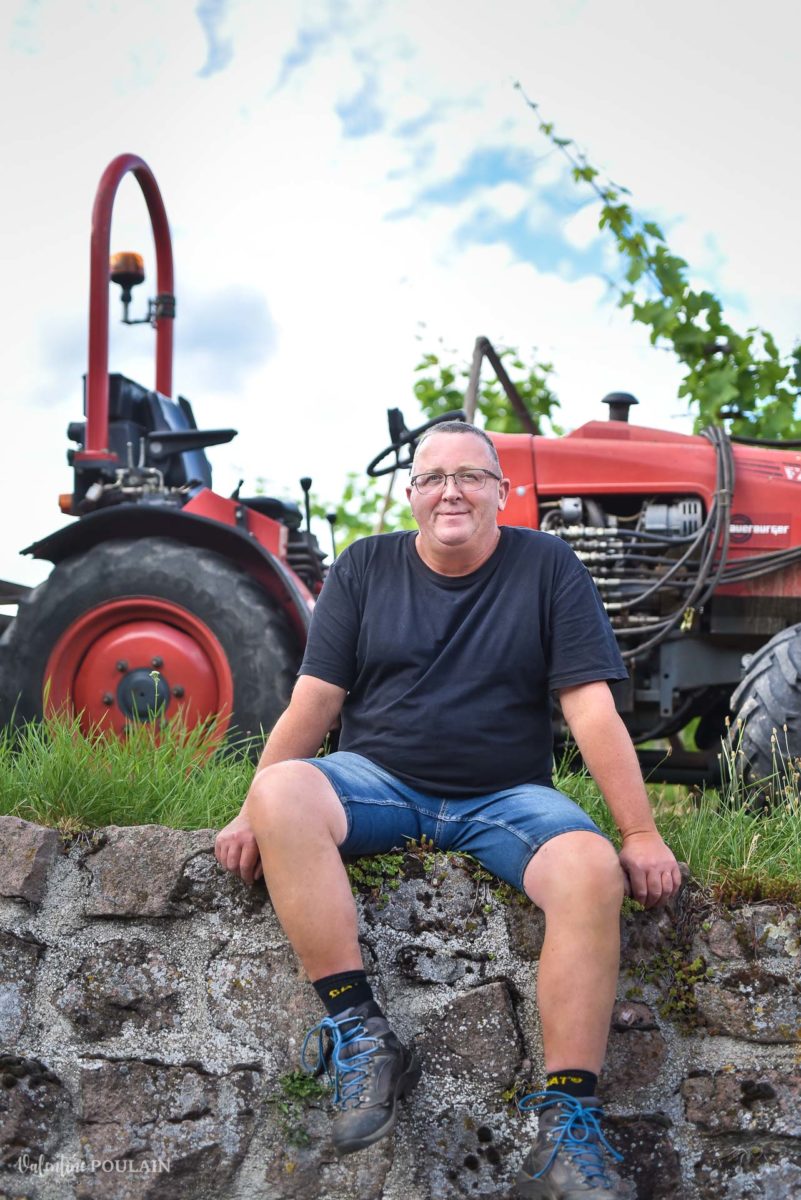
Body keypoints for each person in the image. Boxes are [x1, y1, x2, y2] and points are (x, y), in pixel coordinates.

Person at [214, 421, 681, 1198]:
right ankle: (363, 1034)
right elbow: (315, 701)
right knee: (279, 791)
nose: (450, 491)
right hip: (378, 782)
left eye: (470, 475)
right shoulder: (365, 566)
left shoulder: (547, 565)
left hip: (506, 798)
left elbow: (590, 709)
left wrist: (638, 831)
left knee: (590, 868)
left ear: (502, 490)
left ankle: (566, 1128)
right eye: (432, 477)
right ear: (411, 494)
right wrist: (248, 811)